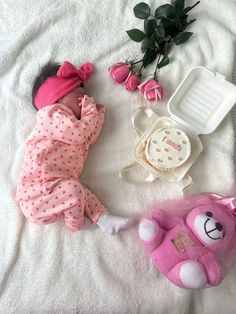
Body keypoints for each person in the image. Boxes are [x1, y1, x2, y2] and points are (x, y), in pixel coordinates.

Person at [16, 60, 132, 234]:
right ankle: (75, 225)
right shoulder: (51, 115)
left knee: (80, 191)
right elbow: (79, 133)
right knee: (74, 190)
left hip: (58, 185)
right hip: (36, 194)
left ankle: (103, 219)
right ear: (57, 98)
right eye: (79, 96)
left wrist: (97, 113)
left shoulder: (74, 125)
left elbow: (89, 137)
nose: (84, 101)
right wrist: (90, 114)